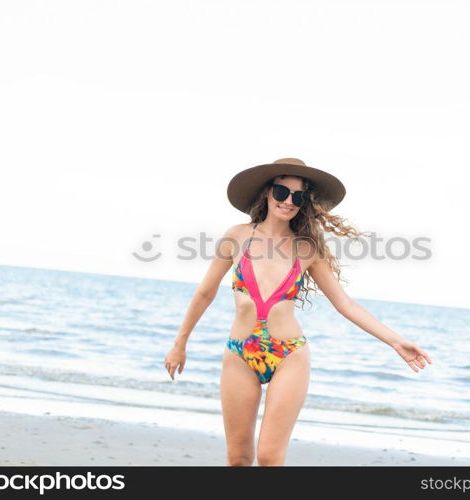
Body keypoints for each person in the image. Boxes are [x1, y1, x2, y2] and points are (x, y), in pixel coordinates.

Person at [164, 158, 432, 466]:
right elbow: (204, 293)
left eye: (298, 196)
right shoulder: (237, 236)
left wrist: (395, 341)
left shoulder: (307, 249)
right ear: (267, 192)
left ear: (305, 203)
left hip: (289, 355)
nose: (289, 201)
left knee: (269, 457)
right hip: (239, 354)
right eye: (281, 191)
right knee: (237, 459)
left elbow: (345, 304)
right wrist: (180, 343)